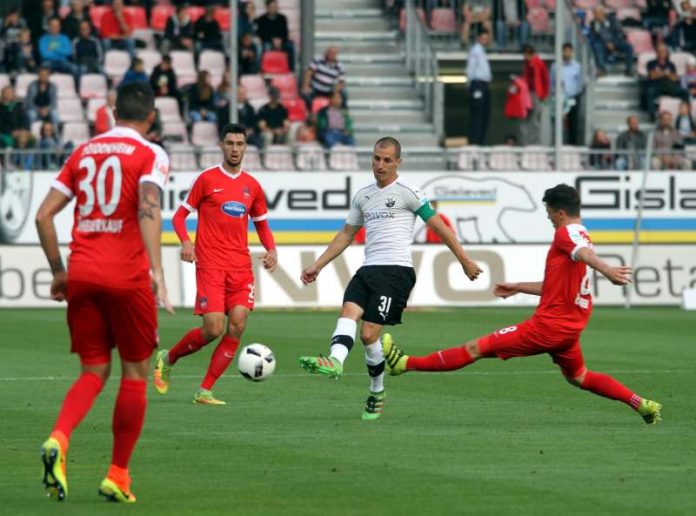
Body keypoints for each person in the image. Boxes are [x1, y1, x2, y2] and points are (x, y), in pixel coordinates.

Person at [382, 184, 662, 426]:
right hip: (568, 329)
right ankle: (641, 404)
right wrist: (517, 286)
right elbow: (557, 285)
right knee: (580, 377)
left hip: (548, 328)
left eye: (550, 213)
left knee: (474, 348)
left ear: (560, 212)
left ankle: (403, 364)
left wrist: (607, 270)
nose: (549, 218)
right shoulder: (581, 233)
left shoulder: (567, 235)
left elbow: (585, 255)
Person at [35, 82, 173, 504]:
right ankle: (118, 474)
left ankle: (59, 438)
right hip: (127, 276)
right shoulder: (151, 153)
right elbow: (147, 207)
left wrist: (59, 271)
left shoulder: (83, 152)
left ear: (113, 111)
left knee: (93, 372)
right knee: (134, 374)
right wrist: (158, 271)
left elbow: (43, 216)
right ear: (150, 117)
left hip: (82, 272)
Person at [298, 137, 483, 420]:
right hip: (368, 270)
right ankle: (335, 361)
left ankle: (377, 391)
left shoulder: (409, 192)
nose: (380, 165)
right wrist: (318, 265)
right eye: (376, 158)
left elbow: (439, 226)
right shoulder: (363, 195)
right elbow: (347, 234)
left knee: (368, 334)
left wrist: (465, 260)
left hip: (396, 272)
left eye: (386, 160)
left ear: (398, 162)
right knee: (347, 314)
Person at [153, 123, 278, 405]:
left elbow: (261, 223)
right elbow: (178, 217)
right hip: (210, 264)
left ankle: (205, 390)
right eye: (230, 143)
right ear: (221, 145)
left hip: (240, 267)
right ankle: (168, 357)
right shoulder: (207, 180)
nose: (235, 149)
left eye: (240, 144)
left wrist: (271, 250)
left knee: (237, 324)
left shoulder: (252, 186)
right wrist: (186, 242)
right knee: (212, 329)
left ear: (246, 147)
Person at [550, 43, 583, 145]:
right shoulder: (555, 66)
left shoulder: (577, 66)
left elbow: (579, 83)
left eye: (569, 51)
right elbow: (552, 82)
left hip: (572, 97)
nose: (567, 53)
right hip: (559, 98)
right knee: (558, 123)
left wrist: (575, 94)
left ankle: (572, 145)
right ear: (562, 52)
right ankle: (557, 145)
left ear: (572, 52)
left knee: (573, 123)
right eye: (565, 51)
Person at [645, 43, 688, 120]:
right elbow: (652, 76)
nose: (662, 53)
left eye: (664, 51)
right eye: (660, 51)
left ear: (666, 52)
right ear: (657, 52)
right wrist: (666, 73)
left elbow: (675, 78)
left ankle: (686, 114)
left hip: (670, 86)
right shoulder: (651, 63)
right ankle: (652, 115)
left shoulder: (671, 64)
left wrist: (660, 73)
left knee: (685, 92)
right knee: (649, 92)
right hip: (657, 85)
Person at [589, 6, 634, 77]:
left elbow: (620, 33)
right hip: (603, 44)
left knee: (629, 47)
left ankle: (629, 69)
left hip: (616, 42)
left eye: (597, 13)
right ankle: (602, 69)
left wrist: (613, 43)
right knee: (597, 45)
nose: (595, 16)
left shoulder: (612, 20)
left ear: (602, 13)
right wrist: (606, 43)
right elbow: (594, 37)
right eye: (594, 14)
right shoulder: (593, 23)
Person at [466, 30, 492, 145]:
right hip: (477, 84)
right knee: (478, 115)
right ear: (479, 38)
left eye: (487, 38)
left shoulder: (482, 51)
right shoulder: (476, 50)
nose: (486, 41)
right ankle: (475, 142)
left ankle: (480, 141)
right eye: (484, 38)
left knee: (484, 115)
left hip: (484, 84)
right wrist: (470, 84)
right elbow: (471, 67)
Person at [520, 45, 549, 145]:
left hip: (536, 94)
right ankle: (526, 142)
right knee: (525, 119)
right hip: (527, 94)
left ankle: (536, 143)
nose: (524, 57)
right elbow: (526, 78)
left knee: (535, 120)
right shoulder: (527, 64)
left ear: (529, 54)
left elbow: (545, 79)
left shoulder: (539, 63)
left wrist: (544, 94)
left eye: (525, 55)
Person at [256, 0, 294, 70]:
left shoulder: (282, 18)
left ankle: (291, 70)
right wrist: (273, 40)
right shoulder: (261, 20)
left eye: (275, 6)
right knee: (266, 46)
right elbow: (261, 34)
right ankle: (263, 69)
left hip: (282, 42)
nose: (274, 8)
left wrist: (281, 41)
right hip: (268, 41)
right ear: (267, 7)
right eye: (272, 7)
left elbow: (285, 32)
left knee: (290, 46)